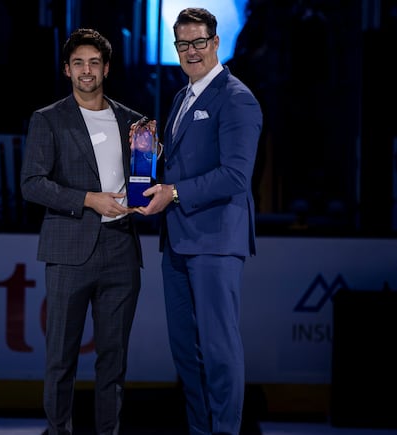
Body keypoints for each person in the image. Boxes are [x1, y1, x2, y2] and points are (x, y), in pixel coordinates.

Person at [136, 8, 263, 435]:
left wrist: (173, 192)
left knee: (218, 349)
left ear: (215, 43)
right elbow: (182, 162)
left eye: (199, 42)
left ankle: (224, 431)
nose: (191, 51)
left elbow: (235, 176)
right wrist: (148, 158)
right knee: (186, 354)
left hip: (214, 240)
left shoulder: (237, 98)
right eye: (183, 44)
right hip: (177, 240)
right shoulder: (181, 97)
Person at [20, 28, 145, 435]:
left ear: (106, 68)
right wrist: (89, 199)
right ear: (66, 70)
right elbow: (32, 184)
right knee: (61, 359)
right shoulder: (48, 119)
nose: (86, 70)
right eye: (78, 63)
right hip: (69, 249)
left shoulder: (134, 122)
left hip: (121, 248)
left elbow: (143, 182)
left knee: (114, 360)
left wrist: (152, 171)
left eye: (94, 62)